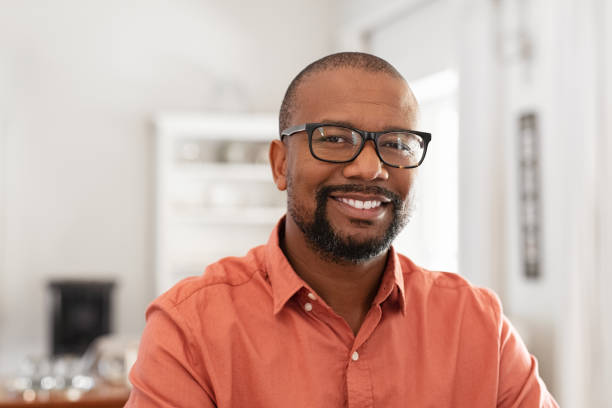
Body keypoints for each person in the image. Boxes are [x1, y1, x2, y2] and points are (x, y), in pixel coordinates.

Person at [125, 52, 558, 407]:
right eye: (334, 138)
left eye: (396, 144)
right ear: (280, 164)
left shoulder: (478, 325)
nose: (370, 168)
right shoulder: (190, 328)